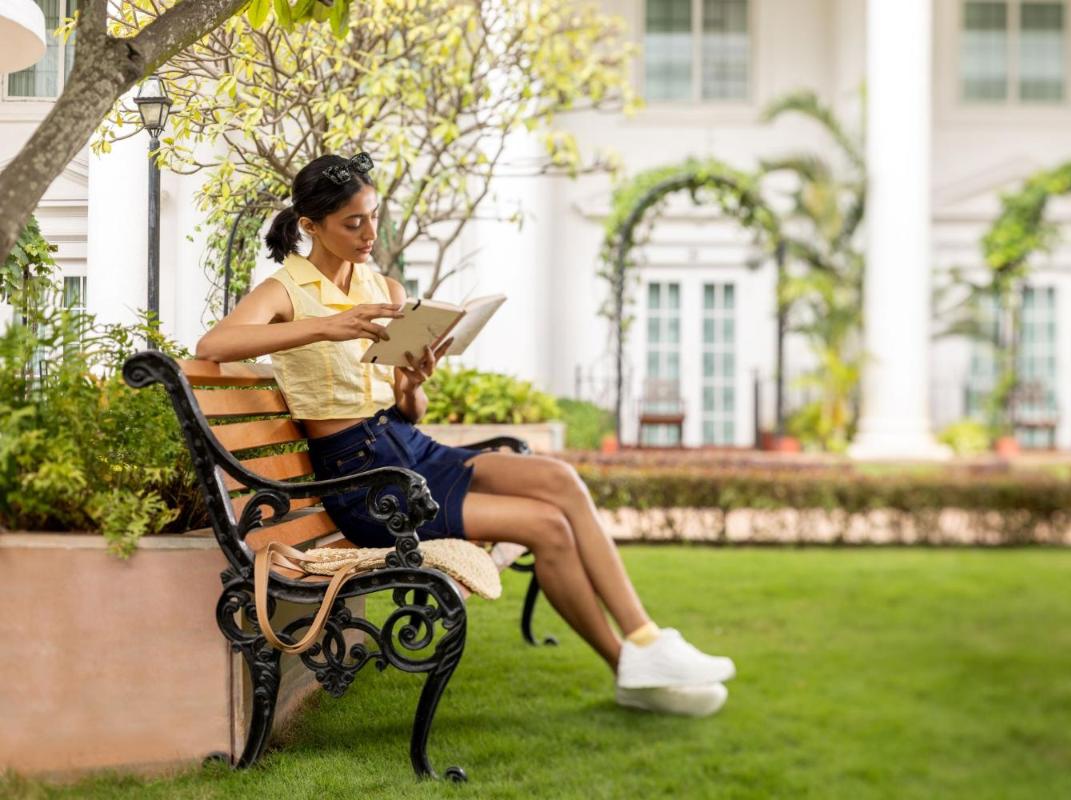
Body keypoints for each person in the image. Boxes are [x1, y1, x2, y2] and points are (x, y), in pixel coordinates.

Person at [196, 153, 734, 717]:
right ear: (310, 226)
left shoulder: (384, 287)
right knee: (546, 526)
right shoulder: (286, 289)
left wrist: (412, 383)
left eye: (374, 215)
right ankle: (626, 663)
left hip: (403, 447)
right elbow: (214, 345)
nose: (370, 232)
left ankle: (646, 642)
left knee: (560, 480)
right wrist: (327, 326)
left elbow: (409, 409)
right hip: (363, 480)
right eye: (353, 223)